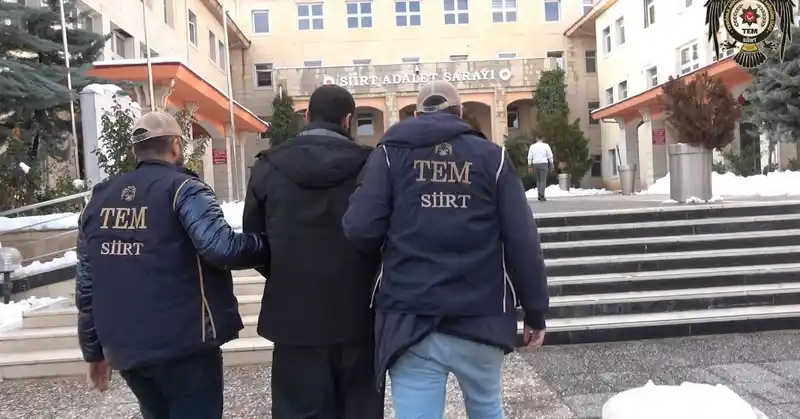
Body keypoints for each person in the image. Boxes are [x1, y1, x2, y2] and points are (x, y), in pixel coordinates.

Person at [342, 80, 549, 419]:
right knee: (486, 408)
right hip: (481, 313)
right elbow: (522, 239)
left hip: (411, 317)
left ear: (416, 114)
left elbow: (359, 228)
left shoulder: (390, 154)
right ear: (460, 113)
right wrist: (535, 310)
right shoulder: (492, 157)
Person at [76, 111, 269, 419]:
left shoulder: (99, 198)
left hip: (127, 348)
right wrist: (269, 244)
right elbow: (221, 248)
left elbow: (86, 286)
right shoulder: (183, 189)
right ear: (176, 146)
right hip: (184, 343)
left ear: (136, 152)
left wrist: (92, 351)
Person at [242, 84, 385, 419]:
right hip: (358, 314)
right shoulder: (371, 165)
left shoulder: (268, 165)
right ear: (347, 120)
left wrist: (286, 270)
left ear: (306, 116)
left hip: (293, 315)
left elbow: (255, 241)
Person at [527, 137, 554, 201]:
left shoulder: (532, 146)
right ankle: (542, 195)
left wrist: (529, 165)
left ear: (536, 138)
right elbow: (550, 155)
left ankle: (539, 193)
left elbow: (530, 156)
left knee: (538, 180)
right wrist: (551, 163)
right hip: (544, 163)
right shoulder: (546, 146)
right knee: (543, 180)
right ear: (543, 139)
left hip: (535, 164)